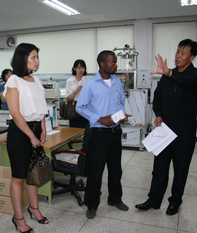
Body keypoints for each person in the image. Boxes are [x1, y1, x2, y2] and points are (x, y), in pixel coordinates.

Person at [135, 39, 197, 215]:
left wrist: (169, 73)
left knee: (181, 168)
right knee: (159, 166)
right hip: (165, 128)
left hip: (185, 129)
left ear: (192, 57)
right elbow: (157, 97)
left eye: (183, 53)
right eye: (177, 51)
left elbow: (187, 83)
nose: (178, 55)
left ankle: (175, 201)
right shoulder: (167, 77)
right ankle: (154, 199)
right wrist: (158, 114)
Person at [76, 50, 131, 219]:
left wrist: (120, 115)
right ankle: (92, 204)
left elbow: (121, 102)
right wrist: (99, 119)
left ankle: (115, 199)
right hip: (98, 134)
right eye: (112, 62)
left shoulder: (116, 83)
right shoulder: (90, 84)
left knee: (116, 170)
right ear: (102, 64)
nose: (115, 65)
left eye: (115, 62)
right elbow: (80, 107)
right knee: (95, 171)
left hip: (115, 133)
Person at [3, 43, 49, 233]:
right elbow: (15, 113)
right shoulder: (14, 81)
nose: (37, 60)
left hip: (36, 130)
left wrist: (43, 130)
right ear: (23, 58)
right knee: (18, 177)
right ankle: (18, 218)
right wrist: (31, 136)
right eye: (33, 57)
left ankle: (34, 208)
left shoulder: (36, 80)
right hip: (20, 133)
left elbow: (42, 109)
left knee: (33, 173)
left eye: (37, 56)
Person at [65, 59, 90, 128]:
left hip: (85, 107)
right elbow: (69, 98)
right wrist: (77, 90)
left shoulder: (87, 81)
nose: (81, 70)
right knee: (74, 129)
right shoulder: (69, 81)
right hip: (73, 107)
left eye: (83, 68)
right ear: (74, 68)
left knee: (85, 129)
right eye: (79, 68)